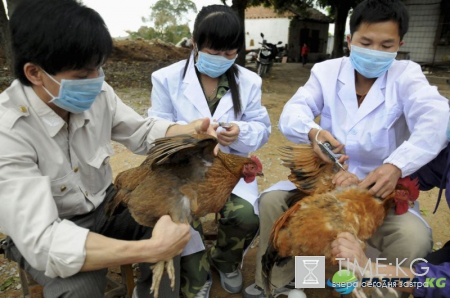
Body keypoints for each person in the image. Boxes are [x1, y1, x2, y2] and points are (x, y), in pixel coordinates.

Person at [0, 0, 218, 297]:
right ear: (35, 73)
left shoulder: (98, 92)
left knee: (168, 221)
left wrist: (187, 131)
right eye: (81, 76)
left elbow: (140, 131)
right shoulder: (8, 131)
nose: (96, 81)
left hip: (106, 205)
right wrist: (148, 248)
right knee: (81, 288)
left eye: (98, 69)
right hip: (51, 227)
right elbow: (43, 239)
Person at [243, 0, 449, 297]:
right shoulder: (326, 72)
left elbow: (438, 117)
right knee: (276, 202)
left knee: (411, 237)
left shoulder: (407, 77)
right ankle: (290, 284)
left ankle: (378, 288)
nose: (375, 51)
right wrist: (313, 133)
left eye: (386, 44)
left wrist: (396, 165)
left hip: (380, 193)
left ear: (399, 45)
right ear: (350, 40)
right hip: (326, 182)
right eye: (366, 42)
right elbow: (293, 112)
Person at [147, 5, 271, 298]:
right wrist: (194, 135)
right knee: (182, 217)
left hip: (227, 170)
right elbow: (156, 129)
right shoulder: (165, 78)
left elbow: (262, 129)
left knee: (244, 215)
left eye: (230, 54)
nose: (222, 60)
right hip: (182, 171)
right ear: (195, 43)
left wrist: (241, 132)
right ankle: (197, 270)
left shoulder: (249, 81)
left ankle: (225, 260)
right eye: (214, 52)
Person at [332, 143, 450, 297]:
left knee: (416, 245)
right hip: (338, 180)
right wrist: (366, 184)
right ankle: (303, 280)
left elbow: (441, 283)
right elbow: (425, 170)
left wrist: (370, 268)